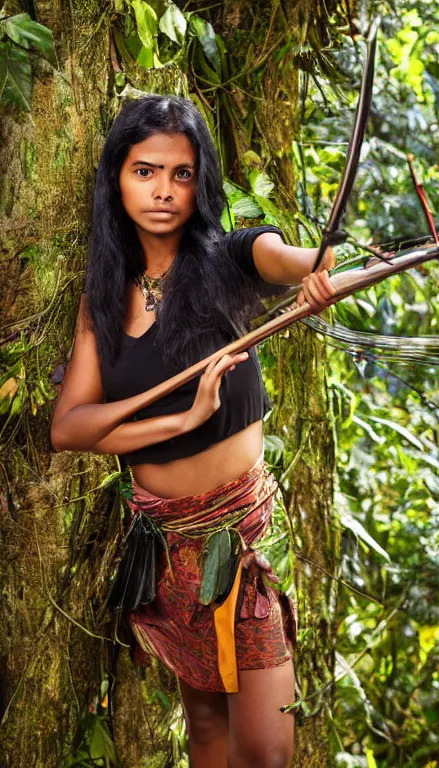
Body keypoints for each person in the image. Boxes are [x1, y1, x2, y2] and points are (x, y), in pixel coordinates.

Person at [50, 95, 336, 768]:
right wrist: (180, 417)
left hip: (243, 543)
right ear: (117, 177)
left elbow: (281, 256)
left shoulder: (226, 261)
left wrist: (315, 268)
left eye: (181, 174)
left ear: (200, 180)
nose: (163, 191)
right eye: (146, 171)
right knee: (205, 732)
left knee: (265, 755)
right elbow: (70, 426)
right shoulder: (104, 296)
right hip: (168, 552)